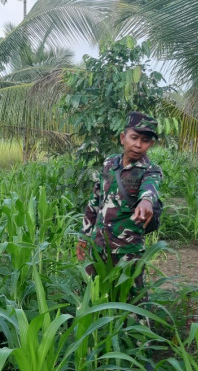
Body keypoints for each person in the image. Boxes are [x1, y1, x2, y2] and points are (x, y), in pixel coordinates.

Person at [77, 111, 163, 295]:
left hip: (127, 251)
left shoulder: (150, 170)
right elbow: (95, 201)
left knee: (132, 301)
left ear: (151, 144)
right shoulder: (109, 164)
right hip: (99, 244)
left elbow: (150, 188)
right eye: (134, 138)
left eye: (145, 140)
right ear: (123, 138)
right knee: (92, 294)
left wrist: (146, 201)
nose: (138, 145)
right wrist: (83, 236)